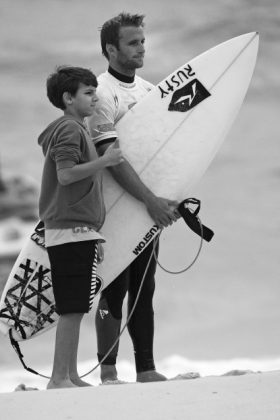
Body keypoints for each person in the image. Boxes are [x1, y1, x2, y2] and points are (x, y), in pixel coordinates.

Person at [87, 13, 179, 384]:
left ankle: (146, 369)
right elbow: (112, 159)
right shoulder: (99, 93)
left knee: (145, 286)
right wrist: (150, 200)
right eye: (133, 42)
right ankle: (108, 371)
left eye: (143, 40)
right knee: (114, 287)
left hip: (146, 204)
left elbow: (166, 150)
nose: (142, 48)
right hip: (113, 206)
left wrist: (167, 196)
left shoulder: (149, 91)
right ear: (111, 49)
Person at [38, 66, 123, 389]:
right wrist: (105, 161)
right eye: (88, 93)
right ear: (68, 98)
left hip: (77, 229)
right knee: (72, 308)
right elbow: (66, 175)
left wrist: (94, 233)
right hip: (70, 229)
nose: (94, 98)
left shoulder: (74, 128)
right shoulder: (70, 130)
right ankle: (59, 377)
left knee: (76, 306)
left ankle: (70, 374)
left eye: (94, 91)